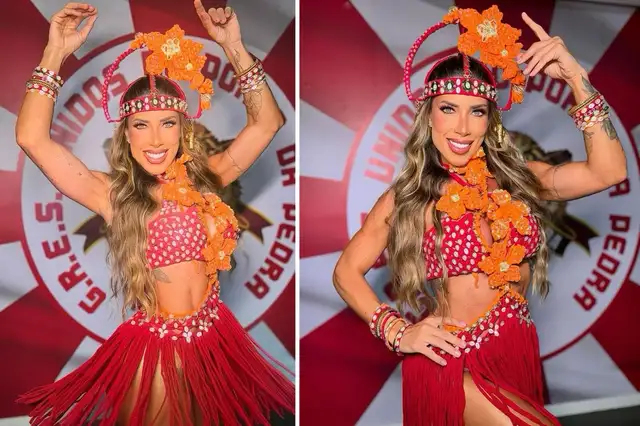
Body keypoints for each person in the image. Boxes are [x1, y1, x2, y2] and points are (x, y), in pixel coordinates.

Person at [333, 5, 626, 426]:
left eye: (477, 111)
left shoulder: (521, 180)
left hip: (514, 352)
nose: (463, 127)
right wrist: (397, 331)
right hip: (450, 361)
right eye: (449, 108)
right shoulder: (409, 196)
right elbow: (346, 270)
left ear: (491, 121)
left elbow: (609, 170)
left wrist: (578, 80)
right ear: (428, 115)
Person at [15, 2, 294, 425]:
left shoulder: (207, 179)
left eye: (167, 123)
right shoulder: (111, 193)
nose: (156, 138)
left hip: (216, 337)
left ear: (184, 129)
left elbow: (267, 124)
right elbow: (32, 138)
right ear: (125, 136)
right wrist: (54, 53)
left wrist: (234, 47)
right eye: (141, 125)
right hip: (157, 350)